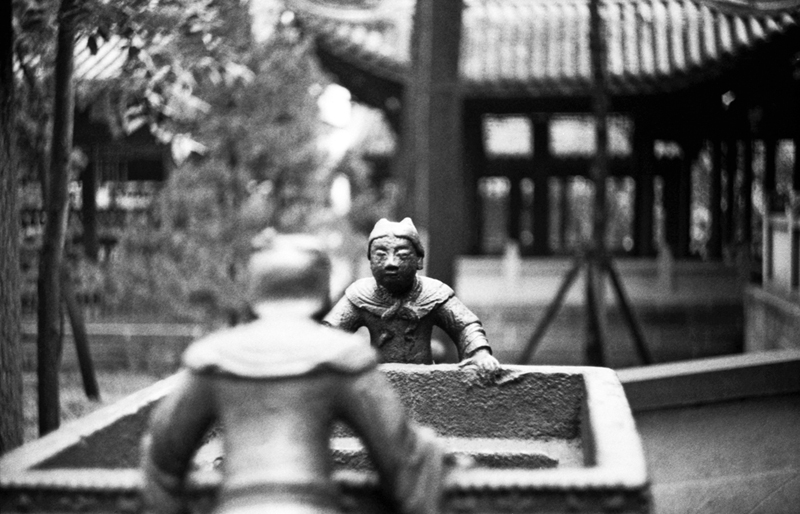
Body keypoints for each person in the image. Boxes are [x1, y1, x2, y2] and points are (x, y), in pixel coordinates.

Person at [140, 233, 445, 514]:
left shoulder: (213, 357)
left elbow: (161, 455)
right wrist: (431, 448)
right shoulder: (343, 357)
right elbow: (402, 460)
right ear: (321, 292)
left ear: (255, 290)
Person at [323, 218, 499, 373]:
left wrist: (479, 354)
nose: (391, 263)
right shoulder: (360, 294)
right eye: (381, 255)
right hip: (380, 381)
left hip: (426, 381)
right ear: (370, 261)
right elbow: (330, 331)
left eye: (402, 255)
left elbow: (465, 325)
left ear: (419, 260)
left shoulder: (434, 293)